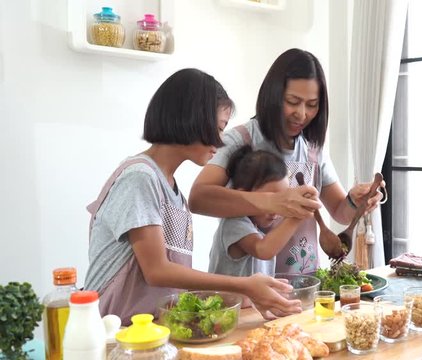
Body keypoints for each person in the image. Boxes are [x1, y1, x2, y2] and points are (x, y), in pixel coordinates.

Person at [83, 68, 301, 324]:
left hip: (149, 330)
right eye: (218, 128)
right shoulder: (139, 178)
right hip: (114, 333)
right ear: (191, 118)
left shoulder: (171, 188)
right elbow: (157, 271)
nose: (219, 142)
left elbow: (171, 281)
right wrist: (244, 285)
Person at [190, 49, 384, 274]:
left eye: (312, 105)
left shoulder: (313, 150)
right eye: (293, 101)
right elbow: (198, 197)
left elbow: (340, 212)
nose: (302, 114)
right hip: (247, 290)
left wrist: (354, 201)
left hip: (303, 284)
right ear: (273, 95)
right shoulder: (241, 139)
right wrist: (273, 202)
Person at [208, 145, 303, 277]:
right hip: (227, 299)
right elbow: (263, 250)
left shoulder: (256, 229)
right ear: (244, 195)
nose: (277, 209)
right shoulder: (233, 223)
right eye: (271, 199)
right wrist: (297, 215)